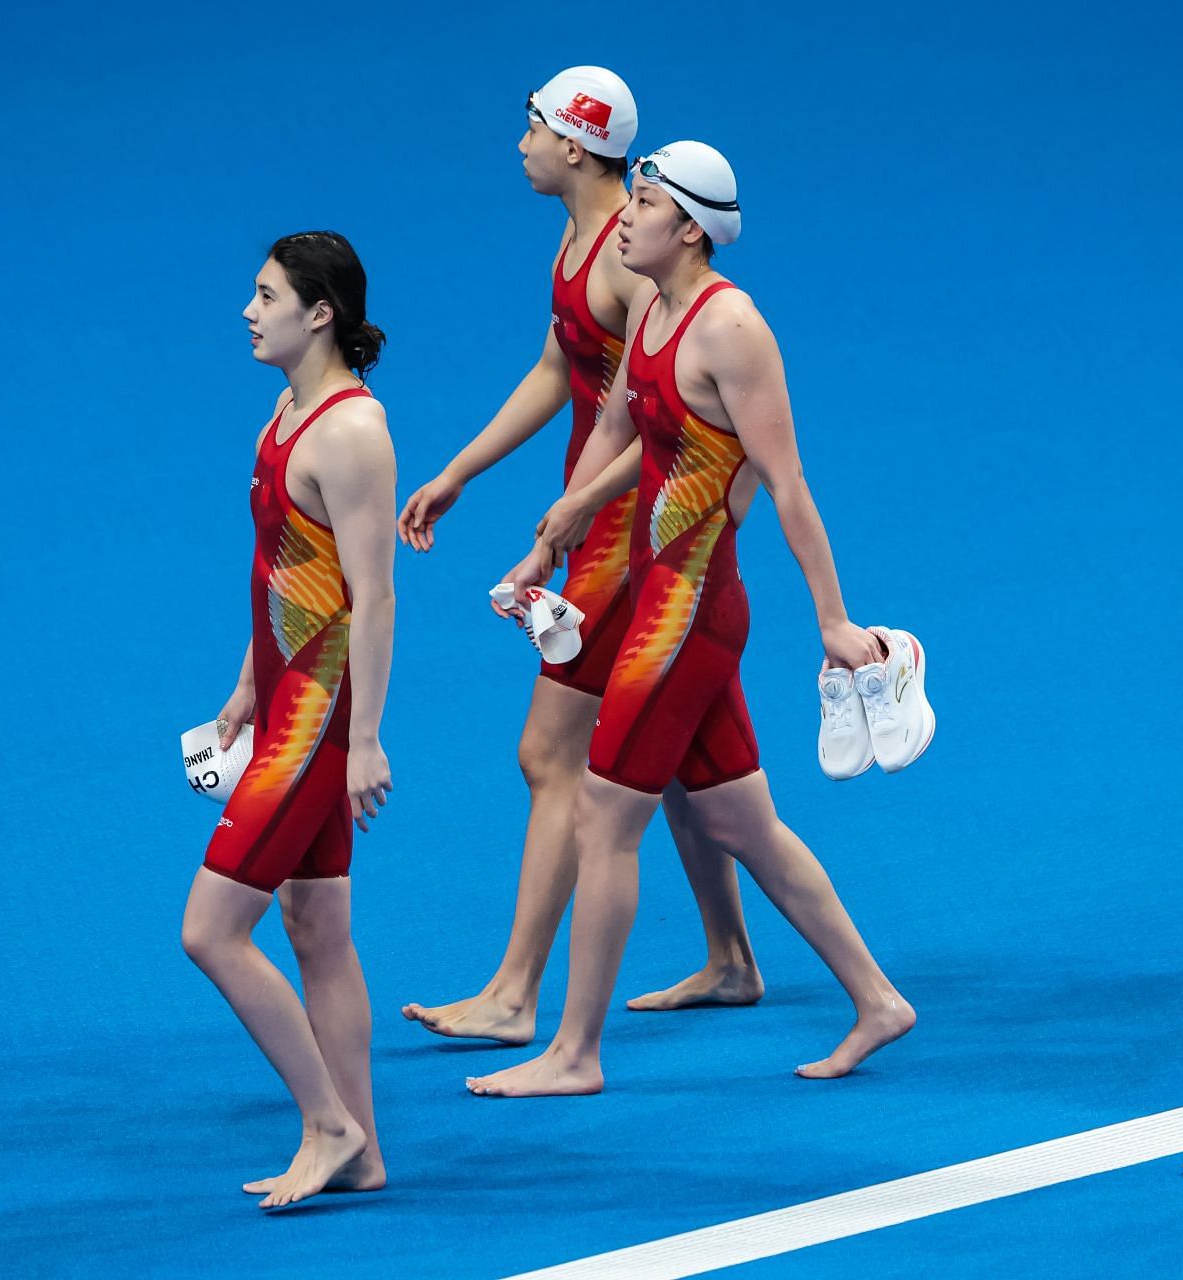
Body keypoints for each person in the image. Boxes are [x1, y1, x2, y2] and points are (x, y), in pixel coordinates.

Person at [468, 142, 914, 1097]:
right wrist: (561, 528)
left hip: (690, 617)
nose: (624, 217)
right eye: (628, 200)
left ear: (692, 229)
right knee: (744, 824)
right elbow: (631, 437)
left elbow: (786, 486)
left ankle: (575, 1053)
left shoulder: (733, 329)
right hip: (654, 600)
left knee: (604, 811)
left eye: (644, 204)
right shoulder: (654, 310)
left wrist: (832, 623)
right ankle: (878, 1000)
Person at [397, 68, 763, 1043]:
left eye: (532, 127)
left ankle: (517, 993)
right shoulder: (580, 245)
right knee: (682, 750)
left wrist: (560, 524)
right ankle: (731, 957)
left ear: (574, 146)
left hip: (624, 532)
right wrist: (462, 469)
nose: (517, 142)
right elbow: (561, 367)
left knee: (551, 752)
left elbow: (671, 416)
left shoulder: (623, 259)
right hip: (591, 518)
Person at [182, 231, 396, 1209]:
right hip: (287, 706)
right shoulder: (287, 410)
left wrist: (361, 740)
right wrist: (245, 685)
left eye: (264, 293)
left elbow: (373, 594)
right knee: (316, 925)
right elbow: (284, 575)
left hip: (319, 726)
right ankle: (364, 1146)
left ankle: (326, 1119)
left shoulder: (351, 433)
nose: (246, 308)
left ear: (320, 313)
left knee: (213, 929)